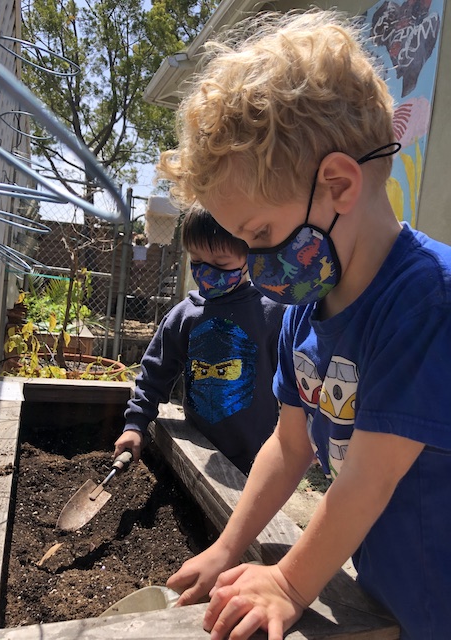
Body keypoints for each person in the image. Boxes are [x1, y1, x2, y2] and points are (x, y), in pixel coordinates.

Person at [156, 7, 451, 640]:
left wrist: (289, 582)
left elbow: (370, 474)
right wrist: (228, 547)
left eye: (261, 234)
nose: (254, 261)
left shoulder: (427, 300)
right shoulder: (304, 310)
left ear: (339, 184)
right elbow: (291, 446)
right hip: (387, 592)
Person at [114, 208, 285, 476]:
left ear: (251, 255)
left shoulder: (274, 313)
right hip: (197, 451)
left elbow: (297, 382)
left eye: (221, 263)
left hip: (258, 455)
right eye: (197, 260)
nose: (206, 272)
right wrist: (135, 425)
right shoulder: (184, 316)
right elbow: (154, 375)